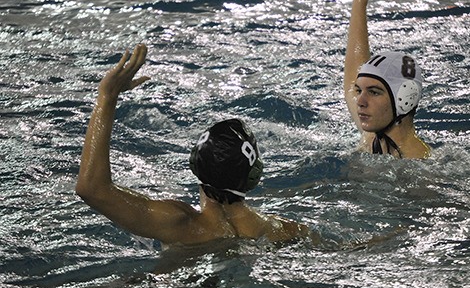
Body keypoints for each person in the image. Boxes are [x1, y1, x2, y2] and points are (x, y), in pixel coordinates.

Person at [76, 44, 311, 247]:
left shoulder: (180, 225)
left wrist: (107, 97)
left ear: (195, 164)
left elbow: (92, 189)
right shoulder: (284, 231)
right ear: (253, 174)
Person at [343, 0, 431, 159]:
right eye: (360, 90)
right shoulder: (371, 135)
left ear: (404, 99)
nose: (360, 101)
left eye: (374, 92)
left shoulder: (421, 168)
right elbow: (352, 76)